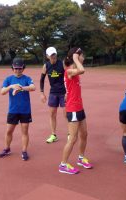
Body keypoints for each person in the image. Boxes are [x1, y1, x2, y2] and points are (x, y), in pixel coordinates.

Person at [59, 47, 92, 175]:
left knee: (84, 134)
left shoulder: (73, 72)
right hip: (72, 109)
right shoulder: (69, 71)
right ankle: (63, 164)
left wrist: (75, 59)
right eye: (82, 56)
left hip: (79, 108)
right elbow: (82, 70)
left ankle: (81, 157)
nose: (83, 58)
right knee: (72, 138)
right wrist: (75, 58)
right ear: (77, 57)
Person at [0, 57, 35, 161]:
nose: (17, 70)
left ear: (23, 68)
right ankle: (7, 149)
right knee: (9, 131)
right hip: (13, 110)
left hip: (25, 110)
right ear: (12, 68)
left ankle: (24, 151)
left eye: (20, 68)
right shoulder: (8, 79)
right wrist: (11, 86)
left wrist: (21, 88)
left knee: (24, 131)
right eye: (15, 68)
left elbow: (33, 87)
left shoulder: (27, 78)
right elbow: (2, 92)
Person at [40, 47, 67, 143]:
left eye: (54, 55)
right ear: (47, 56)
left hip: (63, 92)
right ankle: (53, 135)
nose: (53, 57)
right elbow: (42, 79)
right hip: (53, 93)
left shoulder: (62, 63)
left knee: (66, 114)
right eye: (51, 56)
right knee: (52, 114)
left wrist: (68, 92)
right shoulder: (46, 66)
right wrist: (42, 93)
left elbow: (67, 77)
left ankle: (70, 134)